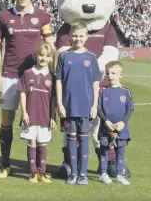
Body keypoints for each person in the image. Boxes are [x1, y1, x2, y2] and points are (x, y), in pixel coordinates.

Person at [0, 0, 54, 178]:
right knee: (7, 121)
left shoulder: (42, 17)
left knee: (37, 122)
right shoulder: (4, 16)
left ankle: (37, 170)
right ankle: (5, 164)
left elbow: (50, 45)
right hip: (9, 75)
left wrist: (53, 74)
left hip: (34, 77)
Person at [55, 22, 101, 185]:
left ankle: (83, 174)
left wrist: (95, 105)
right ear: (69, 36)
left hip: (86, 107)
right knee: (71, 140)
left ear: (86, 37)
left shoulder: (91, 57)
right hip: (68, 106)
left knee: (84, 139)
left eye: (81, 36)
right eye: (74, 35)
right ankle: (73, 173)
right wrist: (60, 104)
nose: (77, 38)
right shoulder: (64, 57)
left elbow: (96, 83)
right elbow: (59, 82)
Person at [18, 42, 57, 183]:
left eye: (47, 56)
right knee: (32, 141)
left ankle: (43, 171)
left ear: (51, 58)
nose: (44, 58)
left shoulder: (52, 76)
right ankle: (32, 171)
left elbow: (53, 99)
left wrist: (53, 117)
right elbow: (22, 93)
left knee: (43, 142)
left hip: (45, 116)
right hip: (31, 114)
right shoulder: (28, 73)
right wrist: (24, 113)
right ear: (36, 55)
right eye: (41, 55)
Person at [97, 61, 134, 185]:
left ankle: (119, 174)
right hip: (105, 127)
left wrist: (123, 123)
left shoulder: (126, 92)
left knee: (120, 151)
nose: (110, 76)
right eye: (108, 73)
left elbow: (130, 109)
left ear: (121, 75)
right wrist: (106, 121)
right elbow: (98, 108)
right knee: (104, 150)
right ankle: (103, 173)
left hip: (121, 128)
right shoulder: (102, 91)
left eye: (113, 73)